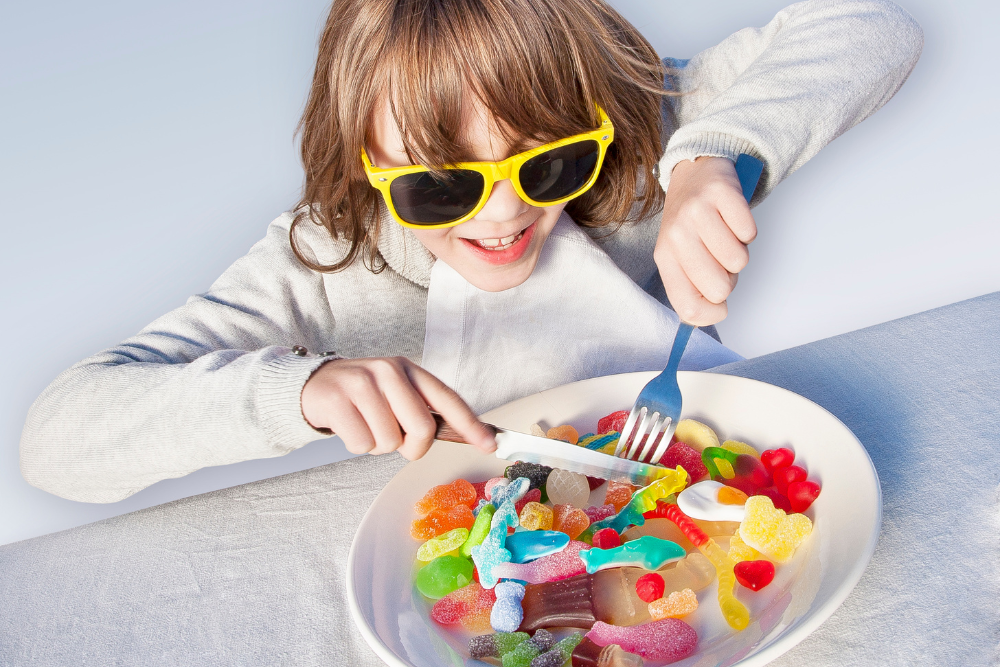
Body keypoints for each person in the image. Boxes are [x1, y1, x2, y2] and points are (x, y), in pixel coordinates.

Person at [21, 0, 921, 508]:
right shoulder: (328, 261)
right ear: (364, 164)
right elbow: (56, 438)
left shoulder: (642, 131)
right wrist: (295, 389)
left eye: (550, 163)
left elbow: (870, 25)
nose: (504, 213)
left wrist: (711, 156)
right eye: (441, 186)